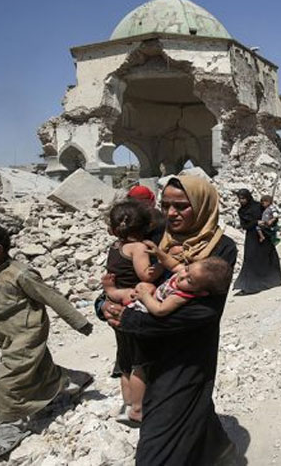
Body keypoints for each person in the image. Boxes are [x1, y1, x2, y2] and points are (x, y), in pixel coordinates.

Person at [102, 175, 240, 465]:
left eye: (181, 206)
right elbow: (119, 279)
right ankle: (219, 451)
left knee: (158, 440)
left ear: (201, 205)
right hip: (144, 350)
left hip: (186, 353)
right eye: (165, 205)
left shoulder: (220, 248)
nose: (171, 213)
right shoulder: (151, 237)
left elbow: (203, 311)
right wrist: (103, 304)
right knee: (186, 411)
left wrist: (131, 320)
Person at [0, 222, 93, 458]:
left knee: (8, 381)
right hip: (9, 335)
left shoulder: (21, 274)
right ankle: (69, 380)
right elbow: (6, 303)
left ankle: (10, 427)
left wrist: (78, 321)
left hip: (26, 336)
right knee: (39, 368)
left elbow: (52, 297)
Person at [102, 199, 159, 428]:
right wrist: (163, 263)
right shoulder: (138, 248)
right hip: (132, 308)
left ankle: (127, 405)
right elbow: (145, 275)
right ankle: (138, 409)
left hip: (116, 308)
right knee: (140, 363)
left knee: (125, 362)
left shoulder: (115, 247)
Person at [105, 255, 233, 317]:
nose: (182, 276)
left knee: (129, 294)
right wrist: (160, 253)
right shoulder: (186, 273)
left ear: (200, 292)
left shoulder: (180, 296)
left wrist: (144, 297)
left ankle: (112, 292)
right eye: (187, 269)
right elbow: (174, 265)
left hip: (147, 307)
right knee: (144, 285)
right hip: (152, 294)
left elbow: (160, 310)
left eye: (189, 281)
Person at [232, 189, 281, 295]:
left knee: (267, 258)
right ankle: (250, 286)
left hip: (264, 236)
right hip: (252, 237)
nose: (241, 201)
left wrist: (270, 222)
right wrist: (256, 222)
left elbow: (271, 214)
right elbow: (244, 226)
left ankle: (272, 280)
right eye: (240, 199)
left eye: (243, 198)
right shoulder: (241, 211)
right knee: (251, 260)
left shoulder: (259, 206)